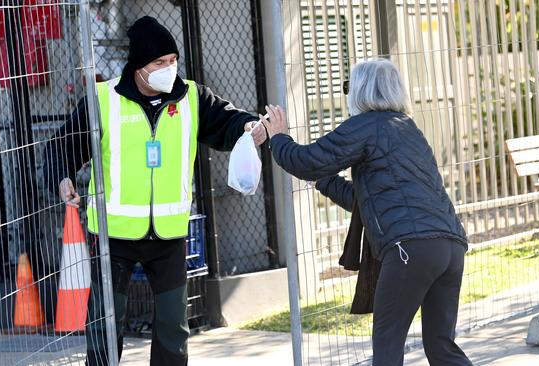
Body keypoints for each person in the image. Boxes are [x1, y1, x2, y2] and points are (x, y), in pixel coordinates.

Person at [43, 16, 266, 366]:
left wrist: (252, 126)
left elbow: (229, 120)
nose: (169, 69)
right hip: (113, 236)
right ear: (139, 68)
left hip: (169, 237)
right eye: (159, 63)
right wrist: (61, 178)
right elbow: (60, 146)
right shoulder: (104, 99)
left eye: (173, 61)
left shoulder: (192, 97)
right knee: (105, 326)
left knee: (172, 331)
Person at [261, 59, 473, 366]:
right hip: (450, 248)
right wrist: (324, 180)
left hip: (409, 249)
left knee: (387, 346)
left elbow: (305, 161)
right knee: (441, 346)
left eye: (349, 86)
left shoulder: (366, 126)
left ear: (360, 91)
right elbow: (363, 200)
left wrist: (277, 137)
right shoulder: (407, 129)